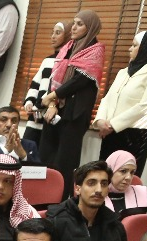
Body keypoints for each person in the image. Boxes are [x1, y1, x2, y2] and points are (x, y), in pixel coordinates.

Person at [39, 10, 105, 187]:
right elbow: (55, 76)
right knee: (45, 157)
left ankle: (61, 199)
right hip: (55, 109)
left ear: (90, 28)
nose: (74, 28)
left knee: (65, 163)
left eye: (79, 24)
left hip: (74, 114)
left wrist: (53, 96)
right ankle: (41, 196)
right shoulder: (68, 47)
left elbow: (79, 80)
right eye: (74, 23)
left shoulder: (95, 51)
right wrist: (52, 104)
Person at [94, 31, 147, 174]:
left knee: (126, 177)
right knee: (105, 173)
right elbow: (108, 98)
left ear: (145, 48)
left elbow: (145, 106)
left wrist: (112, 125)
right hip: (111, 131)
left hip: (136, 133)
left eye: (134, 45)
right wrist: (101, 121)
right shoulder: (124, 71)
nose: (130, 49)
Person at [45, 160, 128, 241]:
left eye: (104, 184)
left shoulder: (115, 225)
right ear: (77, 189)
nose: (99, 190)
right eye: (91, 183)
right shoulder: (55, 220)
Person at [21, 20, 66, 147]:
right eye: (52, 33)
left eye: (58, 33)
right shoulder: (47, 60)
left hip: (51, 116)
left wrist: (41, 105)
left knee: (45, 152)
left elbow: (59, 89)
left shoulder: (68, 62)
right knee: (27, 150)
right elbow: (36, 83)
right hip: (36, 116)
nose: (53, 36)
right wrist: (29, 102)